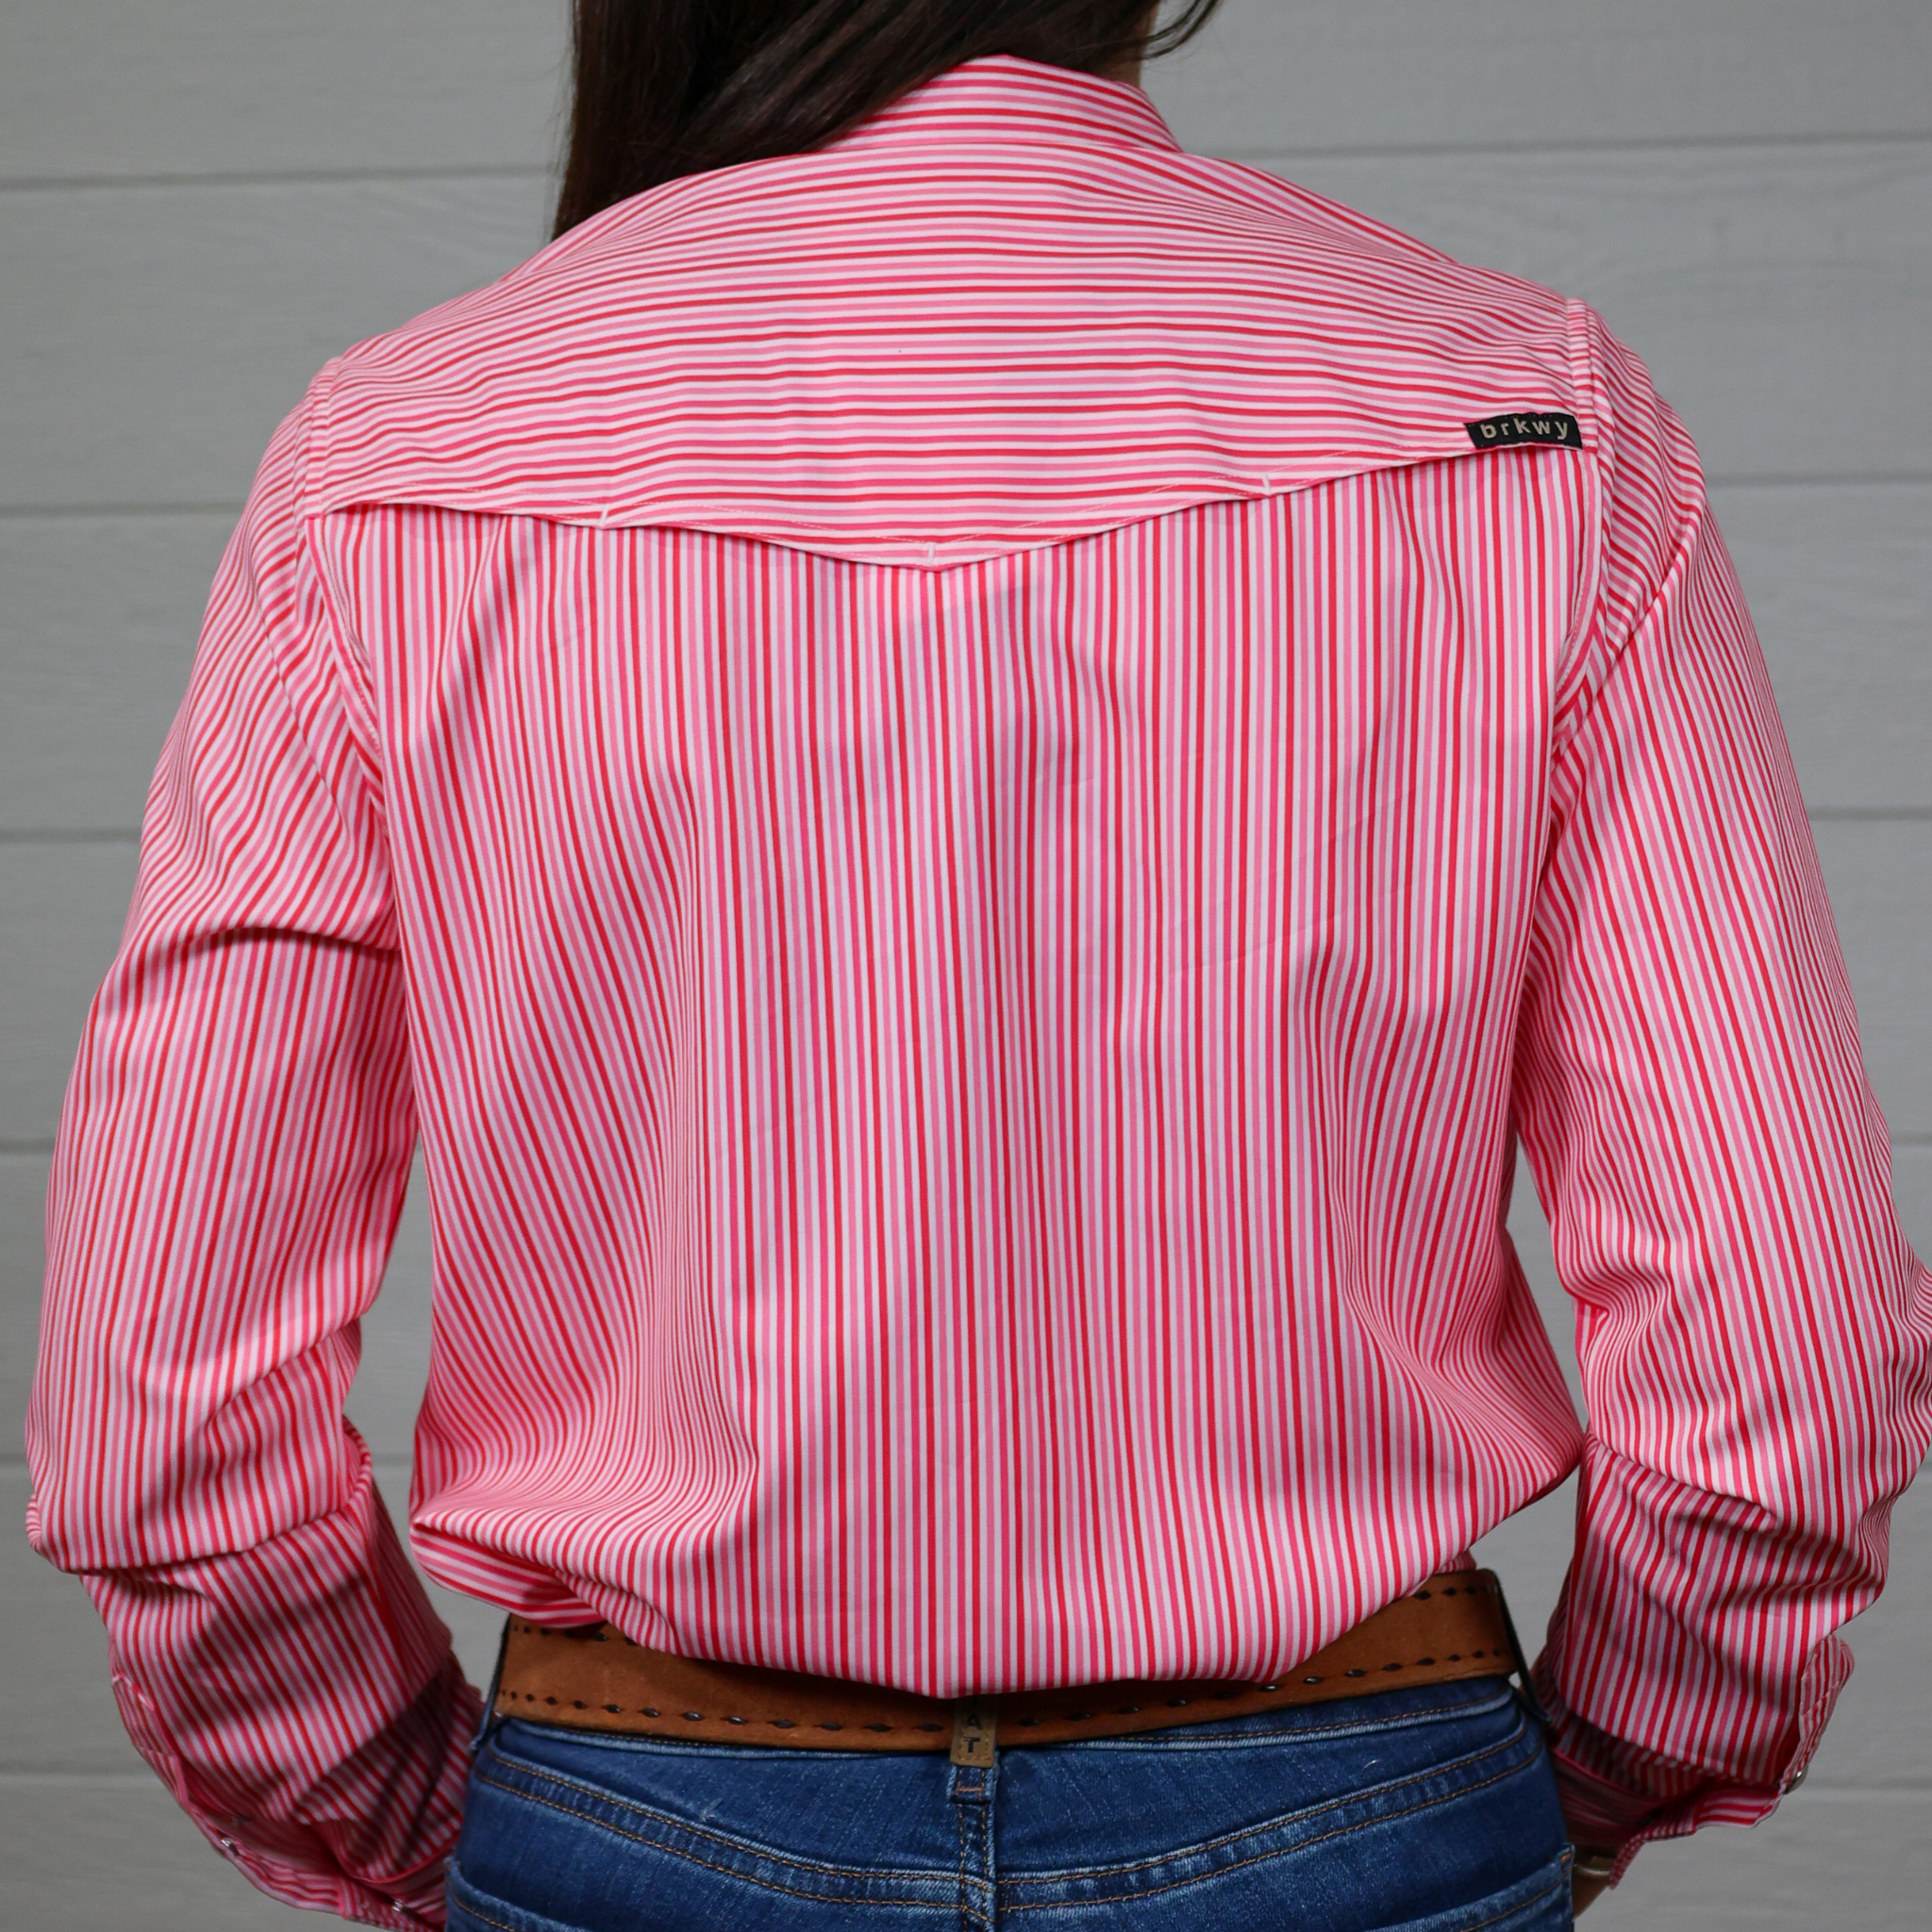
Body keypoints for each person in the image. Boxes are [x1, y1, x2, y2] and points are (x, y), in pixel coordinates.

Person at [26, 2, 1932, 1926]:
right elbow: (1780, 1360)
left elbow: (164, 1424)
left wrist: (414, 1806)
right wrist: (1591, 1770)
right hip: (1358, 1802)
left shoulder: (392, 463)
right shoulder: (1526, 412)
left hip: (647, 1808)